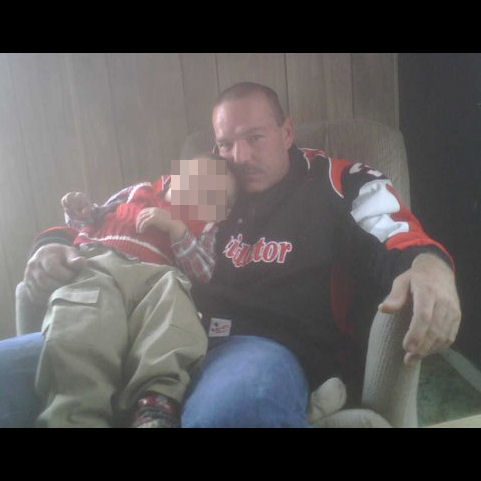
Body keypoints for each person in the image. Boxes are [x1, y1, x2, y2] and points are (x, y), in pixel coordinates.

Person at [0, 82, 461, 428]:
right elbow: (116, 213)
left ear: (286, 132)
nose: (238, 156)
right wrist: (53, 246)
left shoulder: (338, 180)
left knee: (234, 411)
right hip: (142, 332)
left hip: (259, 345)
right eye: (225, 143)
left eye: (255, 137)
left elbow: (394, 229)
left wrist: (429, 265)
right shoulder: (201, 181)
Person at [27, 154, 237, 428]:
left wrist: (176, 229)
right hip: (99, 262)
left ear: (224, 211)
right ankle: (76, 414)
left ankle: (155, 404)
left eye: (213, 194)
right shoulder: (138, 192)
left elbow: (203, 271)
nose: (199, 192)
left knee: (175, 317)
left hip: (157, 276)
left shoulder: (206, 227)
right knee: (80, 329)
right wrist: (80, 211)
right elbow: (94, 216)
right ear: (171, 179)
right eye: (194, 179)